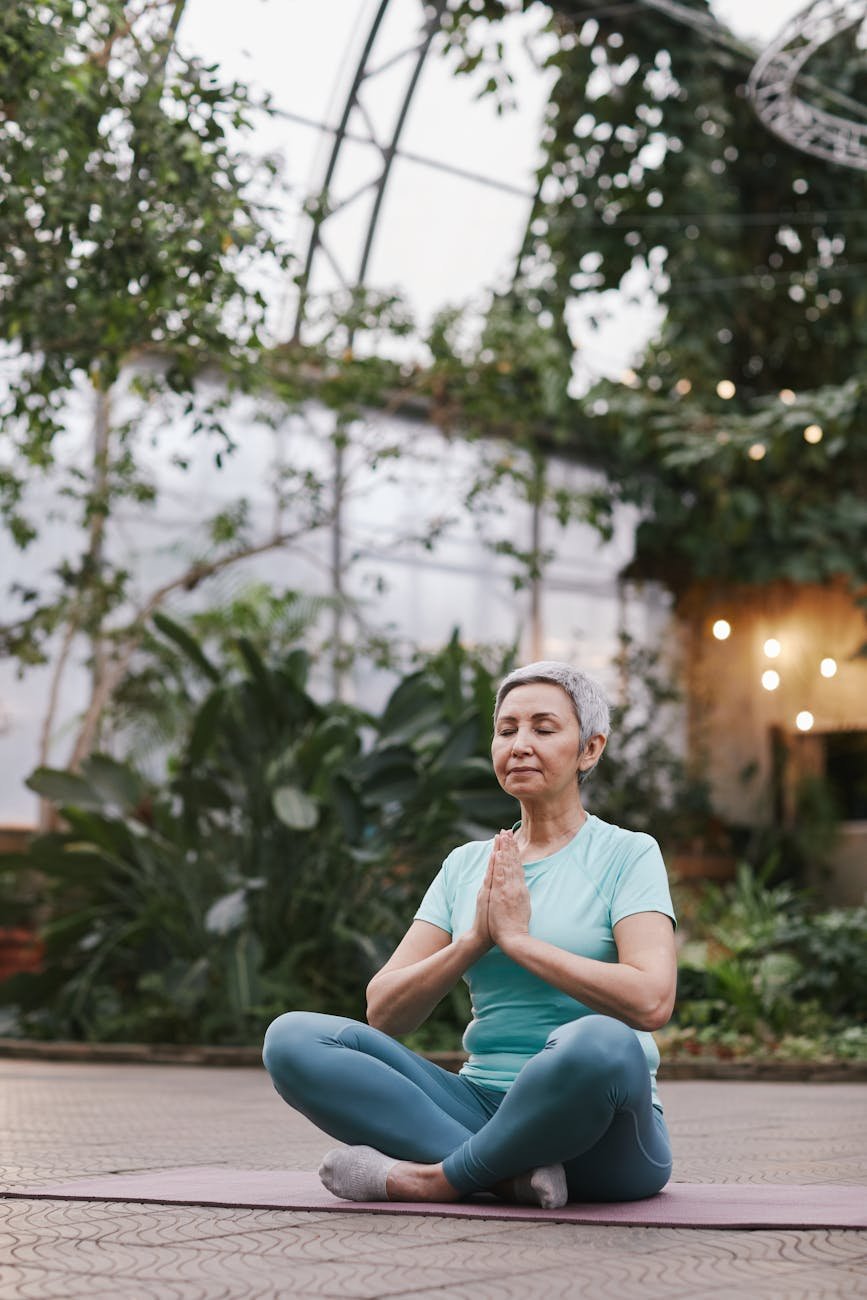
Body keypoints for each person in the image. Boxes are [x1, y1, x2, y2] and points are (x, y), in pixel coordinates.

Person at [263, 660, 678, 1208]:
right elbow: (385, 1011)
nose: (520, 744)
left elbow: (651, 1001)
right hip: (480, 1103)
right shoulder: (467, 866)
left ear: (590, 749)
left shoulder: (628, 854)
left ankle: (433, 1179)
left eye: (544, 729)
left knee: (599, 1041)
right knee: (293, 1038)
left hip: (604, 1134)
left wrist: (521, 943)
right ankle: (508, 1176)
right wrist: (471, 943)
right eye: (507, 730)